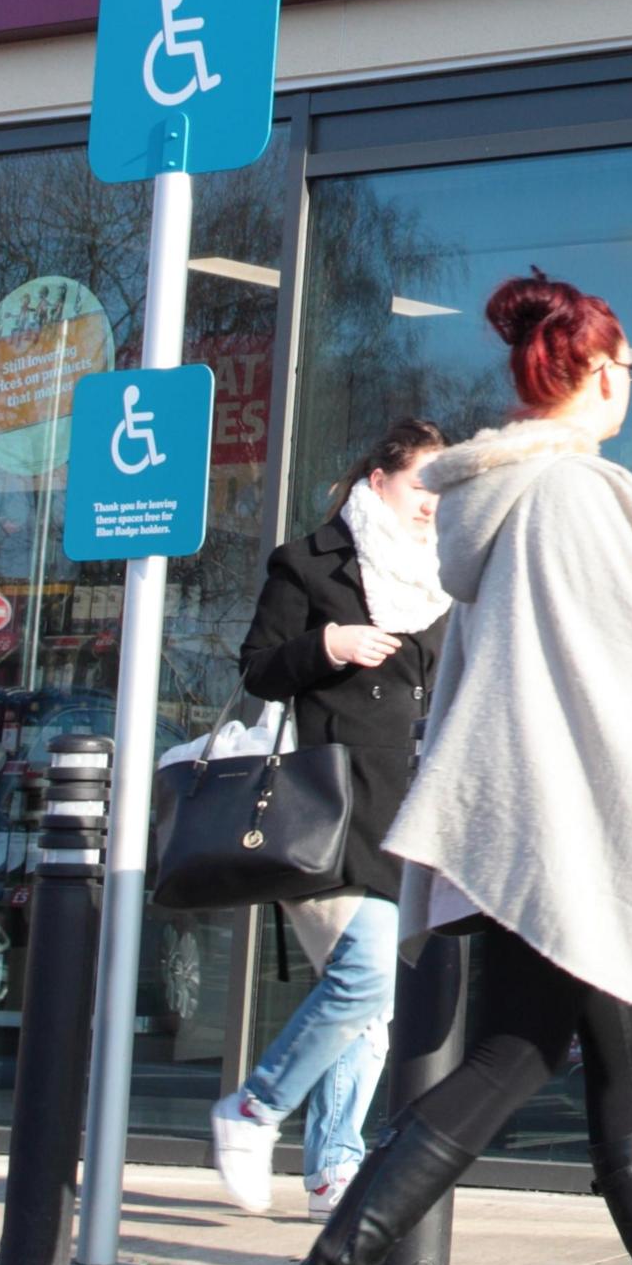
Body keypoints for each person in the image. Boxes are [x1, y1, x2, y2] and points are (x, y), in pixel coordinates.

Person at [252, 275, 632, 1265]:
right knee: (532, 1064)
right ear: (600, 373)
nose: (629, 391)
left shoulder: (505, 503)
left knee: (587, 1069)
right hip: (585, 835)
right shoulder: (570, 497)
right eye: (627, 372)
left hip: (545, 828)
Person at [212, 417, 451, 1219]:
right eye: (422, 484)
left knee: (371, 1008)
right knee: (367, 978)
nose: (431, 504)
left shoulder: (442, 578)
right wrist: (331, 644)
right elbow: (258, 669)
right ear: (379, 479)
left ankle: (332, 1172)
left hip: (406, 815)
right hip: (327, 807)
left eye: (442, 491)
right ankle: (253, 1108)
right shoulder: (310, 560)